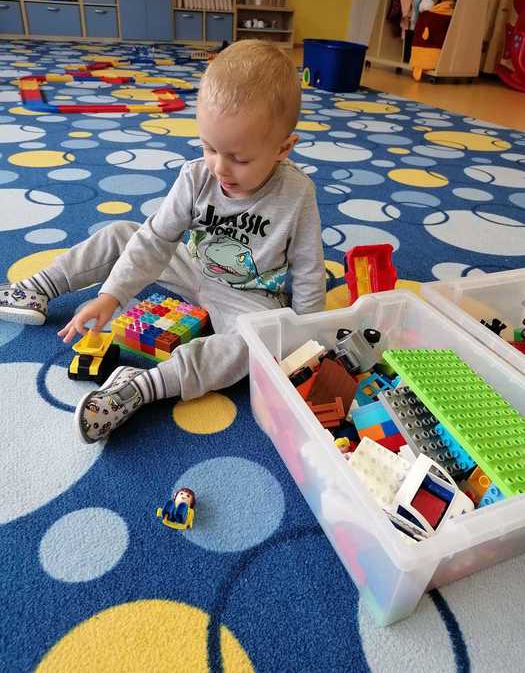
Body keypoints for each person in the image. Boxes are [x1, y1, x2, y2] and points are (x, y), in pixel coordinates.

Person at [0, 39, 326, 443]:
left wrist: (310, 337)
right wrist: (112, 295)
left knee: (255, 343)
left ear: (283, 148)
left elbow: (310, 271)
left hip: (247, 297)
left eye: (240, 159)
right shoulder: (196, 176)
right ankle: (38, 288)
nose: (220, 168)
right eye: (209, 147)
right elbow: (156, 239)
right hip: (192, 267)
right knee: (123, 233)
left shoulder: (298, 194)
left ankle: (141, 386)